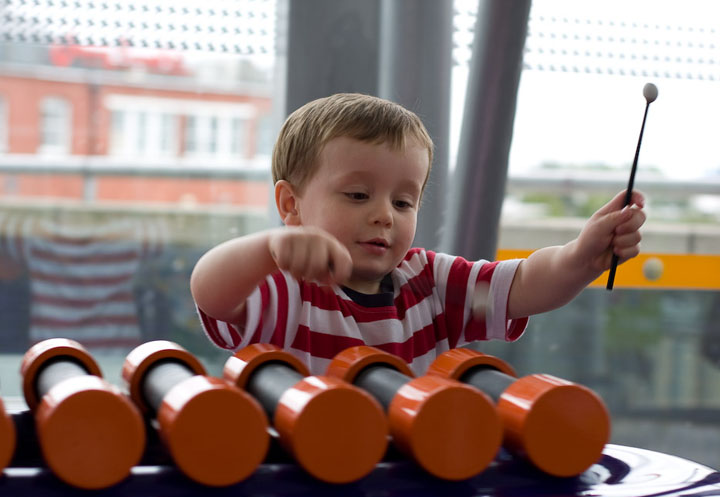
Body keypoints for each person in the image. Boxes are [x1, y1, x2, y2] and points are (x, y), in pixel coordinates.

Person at [190, 93, 646, 374]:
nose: (384, 215)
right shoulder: (287, 289)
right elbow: (210, 291)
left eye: (403, 202)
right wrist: (269, 249)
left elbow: (521, 286)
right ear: (291, 204)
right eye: (357, 195)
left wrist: (580, 259)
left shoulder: (430, 284)